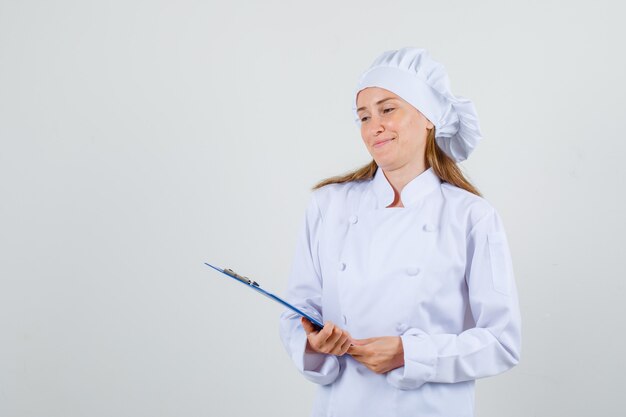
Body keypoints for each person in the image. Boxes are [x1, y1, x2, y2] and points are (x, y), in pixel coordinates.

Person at [279, 47, 521, 417]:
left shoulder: (471, 216)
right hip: (343, 406)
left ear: (429, 117)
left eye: (387, 109)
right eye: (363, 116)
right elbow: (297, 313)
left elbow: (502, 341)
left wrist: (410, 354)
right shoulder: (329, 206)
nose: (373, 126)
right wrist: (314, 342)